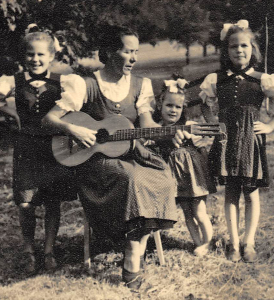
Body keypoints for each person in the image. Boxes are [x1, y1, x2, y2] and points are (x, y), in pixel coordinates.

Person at [42, 25, 177, 289]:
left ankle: (136, 247)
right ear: (109, 53)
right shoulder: (85, 84)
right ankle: (131, 267)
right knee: (131, 180)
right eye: (128, 51)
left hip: (132, 154)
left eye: (136, 51)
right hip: (95, 163)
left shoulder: (140, 85)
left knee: (161, 177)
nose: (135, 58)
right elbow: (49, 121)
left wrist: (171, 133)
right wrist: (73, 129)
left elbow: (147, 123)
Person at [198, 20, 274, 262]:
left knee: (250, 192)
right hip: (227, 141)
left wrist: (270, 125)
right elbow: (205, 103)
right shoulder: (217, 79)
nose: (239, 50)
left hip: (251, 140)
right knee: (231, 192)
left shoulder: (262, 79)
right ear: (226, 51)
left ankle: (248, 242)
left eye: (244, 46)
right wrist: (213, 126)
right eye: (233, 47)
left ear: (253, 49)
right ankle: (234, 243)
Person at [0, 26, 81, 274]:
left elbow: (71, 108)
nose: (36, 59)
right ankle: (29, 250)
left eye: (41, 55)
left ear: (51, 56)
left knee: (52, 202)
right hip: (26, 147)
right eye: (31, 54)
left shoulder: (63, 82)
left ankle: (49, 250)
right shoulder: (13, 82)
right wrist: (12, 112)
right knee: (25, 204)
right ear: (24, 57)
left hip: (53, 147)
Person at [151, 76, 216, 257]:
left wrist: (206, 174)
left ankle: (208, 242)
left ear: (183, 109)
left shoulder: (188, 126)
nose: (173, 110)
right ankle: (198, 243)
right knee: (187, 213)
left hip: (193, 176)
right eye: (169, 105)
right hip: (175, 178)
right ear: (160, 106)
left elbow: (202, 149)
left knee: (199, 211)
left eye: (178, 107)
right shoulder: (155, 129)